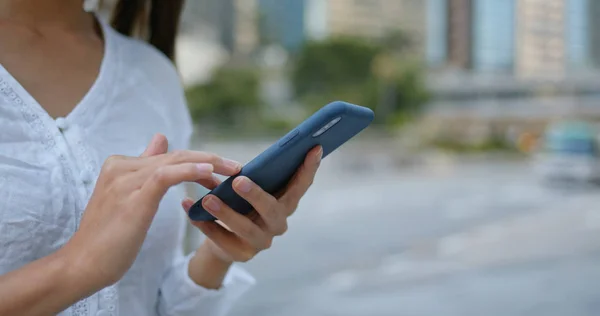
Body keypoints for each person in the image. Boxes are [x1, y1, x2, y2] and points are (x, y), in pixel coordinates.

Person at [0, 0, 322, 315]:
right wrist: (76, 268)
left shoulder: (153, 73)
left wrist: (218, 252)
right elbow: (86, 268)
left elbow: (148, 299)